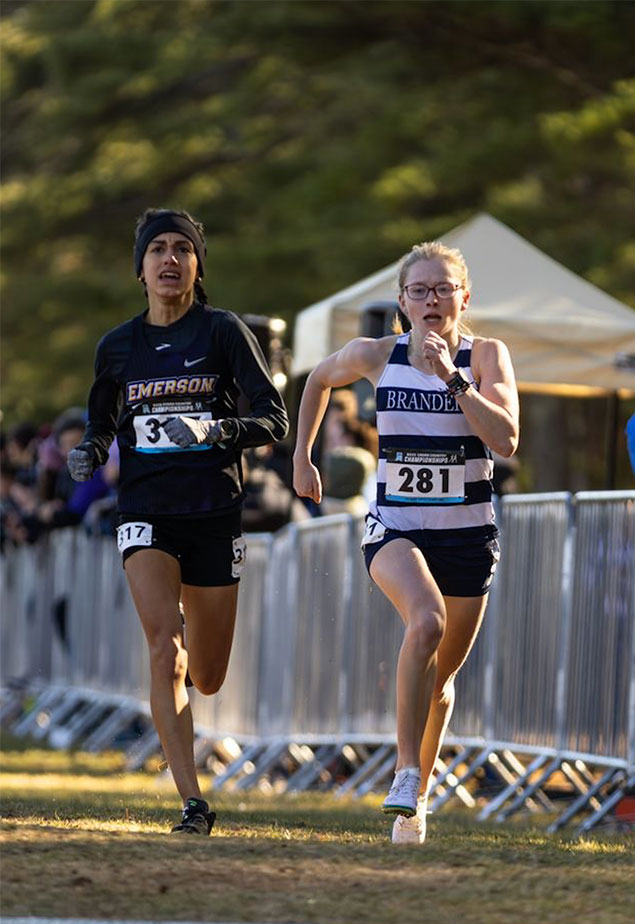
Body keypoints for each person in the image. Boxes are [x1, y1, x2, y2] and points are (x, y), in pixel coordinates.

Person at [68, 208, 288, 835]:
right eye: (157, 249)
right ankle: (192, 799)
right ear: (139, 268)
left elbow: (276, 419)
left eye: (182, 250)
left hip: (214, 512)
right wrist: (89, 449)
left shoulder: (221, 333)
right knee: (164, 647)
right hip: (146, 514)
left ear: (197, 265)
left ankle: (191, 635)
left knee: (208, 676)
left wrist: (223, 429)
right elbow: (102, 423)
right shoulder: (116, 346)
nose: (170, 259)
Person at [293, 240, 518, 844]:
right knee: (425, 622)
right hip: (396, 526)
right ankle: (404, 771)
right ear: (403, 302)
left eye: (443, 288)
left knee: (440, 680)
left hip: (469, 534)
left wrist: (452, 378)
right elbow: (316, 380)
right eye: (419, 290)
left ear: (463, 298)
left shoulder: (487, 356)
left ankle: (416, 801)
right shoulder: (375, 354)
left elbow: (506, 439)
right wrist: (302, 458)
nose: (432, 299)